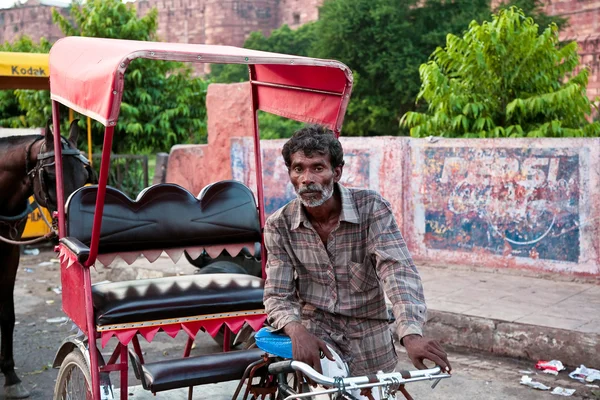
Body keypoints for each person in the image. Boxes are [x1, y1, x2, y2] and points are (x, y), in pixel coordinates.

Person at [262, 125, 451, 393]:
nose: (306, 178)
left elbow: (397, 271)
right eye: (298, 169)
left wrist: (410, 332)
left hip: (369, 336)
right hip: (317, 335)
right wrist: (295, 330)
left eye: (317, 168)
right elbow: (278, 294)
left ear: (336, 172)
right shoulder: (279, 225)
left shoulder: (372, 208)